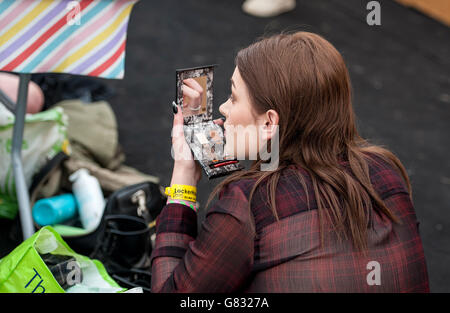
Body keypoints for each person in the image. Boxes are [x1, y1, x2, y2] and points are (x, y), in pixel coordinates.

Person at [150, 31, 429, 292]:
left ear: (270, 122)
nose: (223, 108)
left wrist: (183, 178)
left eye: (234, 97)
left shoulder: (248, 204)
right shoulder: (385, 170)